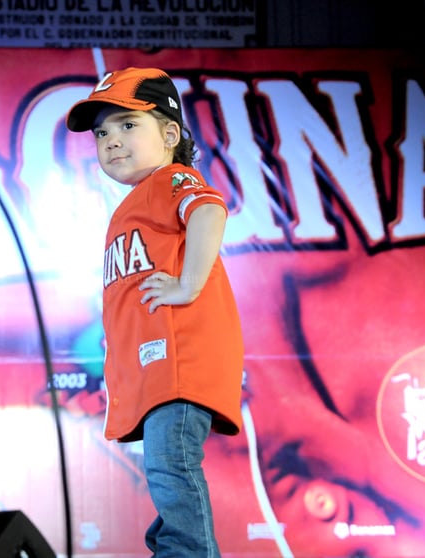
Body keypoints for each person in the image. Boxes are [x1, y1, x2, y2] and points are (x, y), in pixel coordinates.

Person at [66, 67, 244, 556]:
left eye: (127, 125)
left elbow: (209, 209)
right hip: (156, 367)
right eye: (102, 132)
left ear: (169, 134)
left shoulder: (172, 178)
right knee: (166, 471)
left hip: (180, 360)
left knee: (171, 465)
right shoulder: (136, 203)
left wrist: (189, 285)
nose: (111, 140)